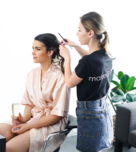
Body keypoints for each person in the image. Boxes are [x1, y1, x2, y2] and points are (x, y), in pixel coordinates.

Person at [0, 33, 70, 152]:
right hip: (33, 119)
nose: (32, 53)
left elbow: (57, 115)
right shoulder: (32, 74)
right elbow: (29, 104)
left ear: (50, 52)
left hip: (50, 124)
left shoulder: (61, 77)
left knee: (9, 148)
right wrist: (23, 119)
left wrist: (28, 126)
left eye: (37, 49)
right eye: (33, 48)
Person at [59, 12, 113, 152]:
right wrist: (76, 46)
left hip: (89, 113)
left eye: (79, 30)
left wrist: (67, 58)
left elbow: (70, 83)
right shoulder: (106, 55)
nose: (77, 33)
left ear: (90, 33)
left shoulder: (87, 62)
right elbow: (91, 63)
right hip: (102, 109)